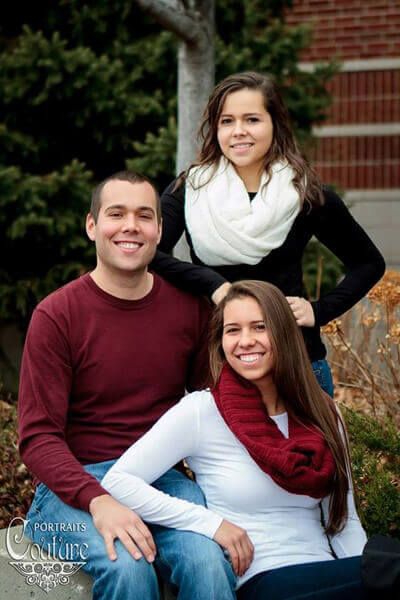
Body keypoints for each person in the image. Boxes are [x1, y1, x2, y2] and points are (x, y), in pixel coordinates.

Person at [18, 171, 236, 600]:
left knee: (208, 561)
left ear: (159, 229)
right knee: (129, 568)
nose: (131, 226)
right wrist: (99, 501)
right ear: (92, 226)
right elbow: (38, 437)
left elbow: (213, 404)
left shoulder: (187, 309)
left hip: (161, 481)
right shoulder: (57, 316)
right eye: (116, 214)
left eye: (144, 215)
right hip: (73, 487)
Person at [102, 280, 369, 600]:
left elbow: (345, 521)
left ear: (284, 333)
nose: (245, 341)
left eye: (259, 327)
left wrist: (367, 582)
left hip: (327, 577)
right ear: (221, 341)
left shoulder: (322, 413)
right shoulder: (203, 411)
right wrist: (211, 524)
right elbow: (119, 480)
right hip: (261, 580)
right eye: (233, 330)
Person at [154, 71, 386, 397]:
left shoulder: (303, 192)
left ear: (274, 123)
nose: (238, 132)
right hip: (216, 364)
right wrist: (212, 284)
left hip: (296, 365)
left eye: (252, 119)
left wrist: (319, 311)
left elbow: (368, 263)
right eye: (227, 121)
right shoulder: (190, 189)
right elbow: (150, 253)